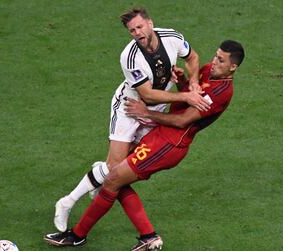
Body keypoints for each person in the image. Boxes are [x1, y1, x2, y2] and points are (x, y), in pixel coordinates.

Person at [44, 40, 245, 251]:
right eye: (215, 55)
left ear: (233, 67)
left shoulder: (222, 92)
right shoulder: (208, 70)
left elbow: (182, 121)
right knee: (115, 176)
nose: (214, 62)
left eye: (221, 60)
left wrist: (145, 112)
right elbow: (189, 96)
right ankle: (148, 236)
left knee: (112, 179)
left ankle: (77, 235)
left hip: (168, 144)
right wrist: (182, 81)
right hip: (160, 135)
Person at [53, 7, 210, 234]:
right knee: (115, 169)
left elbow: (193, 57)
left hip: (156, 111)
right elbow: (146, 94)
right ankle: (67, 202)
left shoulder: (172, 38)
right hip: (129, 107)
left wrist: (193, 81)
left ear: (150, 23)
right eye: (131, 30)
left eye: (139, 27)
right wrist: (186, 95)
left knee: (123, 167)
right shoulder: (129, 57)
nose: (137, 32)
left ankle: (100, 175)